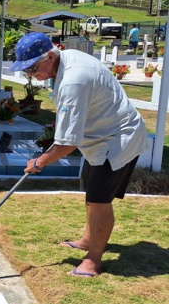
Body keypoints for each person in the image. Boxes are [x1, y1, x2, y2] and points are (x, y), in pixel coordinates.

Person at [10, 33, 148, 277]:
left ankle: (94, 259)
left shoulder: (75, 79)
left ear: (50, 56)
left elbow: (67, 143)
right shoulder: (63, 62)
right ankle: (87, 239)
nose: (31, 75)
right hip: (97, 139)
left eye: (33, 68)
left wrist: (40, 162)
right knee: (91, 193)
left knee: (99, 200)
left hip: (117, 139)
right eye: (26, 71)